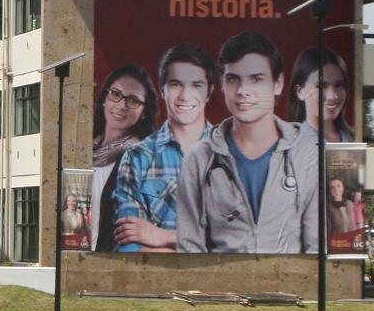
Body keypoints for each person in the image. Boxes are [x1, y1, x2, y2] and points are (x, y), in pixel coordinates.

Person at [175, 31, 317, 254]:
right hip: (221, 287)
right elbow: (189, 246)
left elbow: (315, 247)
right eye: (233, 79)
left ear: (278, 84)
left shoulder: (307, 154)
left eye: (256, 79)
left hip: (289, 286)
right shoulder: (199, 158)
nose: (242, 91)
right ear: (222, 84)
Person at [112, 44, 215, 252]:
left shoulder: (232, 153)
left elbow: (240, 242)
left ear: (209, 92)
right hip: (156, 283)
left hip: (224, 284)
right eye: (176, 84)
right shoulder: (137, 157)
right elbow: (129, 246)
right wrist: (199, 246)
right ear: (162, 90)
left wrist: (162, 236)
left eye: (196, 85)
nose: (185, 96)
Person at [88, 65, 156, 251]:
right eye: (116, 94)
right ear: (104, 99)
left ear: (144, 112)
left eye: (133, 100)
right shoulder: (84, 149)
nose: (122, 105)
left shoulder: (143, 158)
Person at [289, 45, 355, 143]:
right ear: (300, 91)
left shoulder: (355, 138)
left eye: (339, 85)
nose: (333, 96)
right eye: (321, 86)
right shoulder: (290, 144)